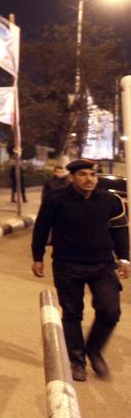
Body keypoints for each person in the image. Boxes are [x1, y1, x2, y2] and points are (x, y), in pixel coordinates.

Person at [31, 159, 130, 382]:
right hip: (68, 265)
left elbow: (120, 230)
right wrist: (38, 257)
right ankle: (77, 361)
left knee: (110, 311)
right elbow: (41, 229)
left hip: (103, 265)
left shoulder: (109, 200)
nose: (89, 179)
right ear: (72, 177)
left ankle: (94, 350)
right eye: (83, 174)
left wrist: (124, 258)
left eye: (93, 175)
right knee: (72, 314)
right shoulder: (55, 199)